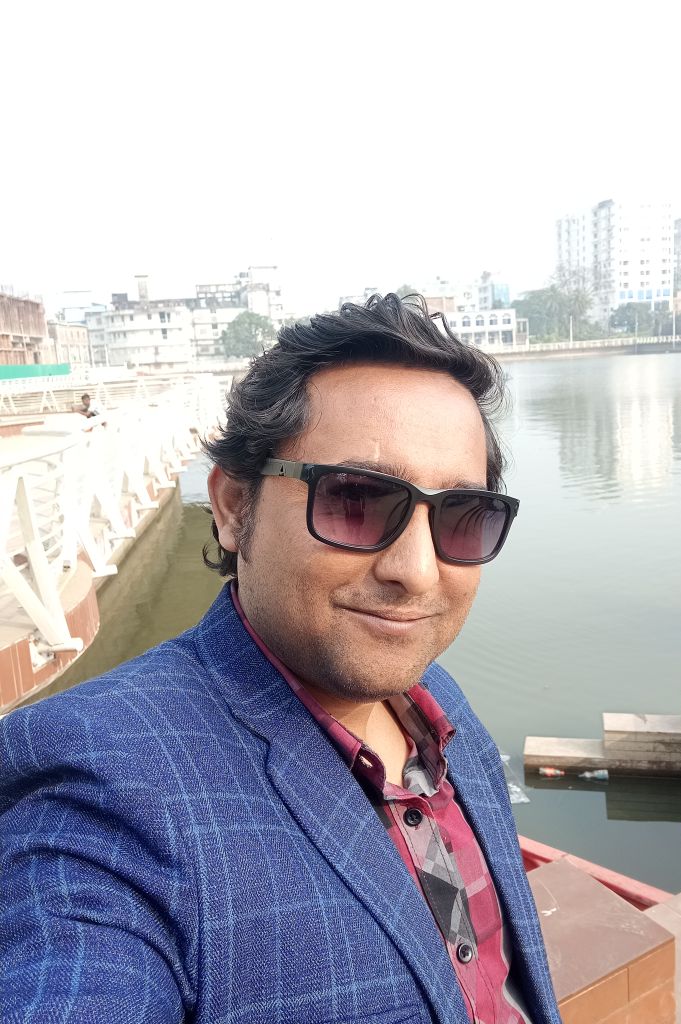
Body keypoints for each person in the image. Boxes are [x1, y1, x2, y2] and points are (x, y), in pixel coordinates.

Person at [0, 294, 562, 1024]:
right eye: (356, 500)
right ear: (234, 508)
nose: (418, 571)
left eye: (461, 516)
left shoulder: (437, 703)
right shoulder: (104, 786)